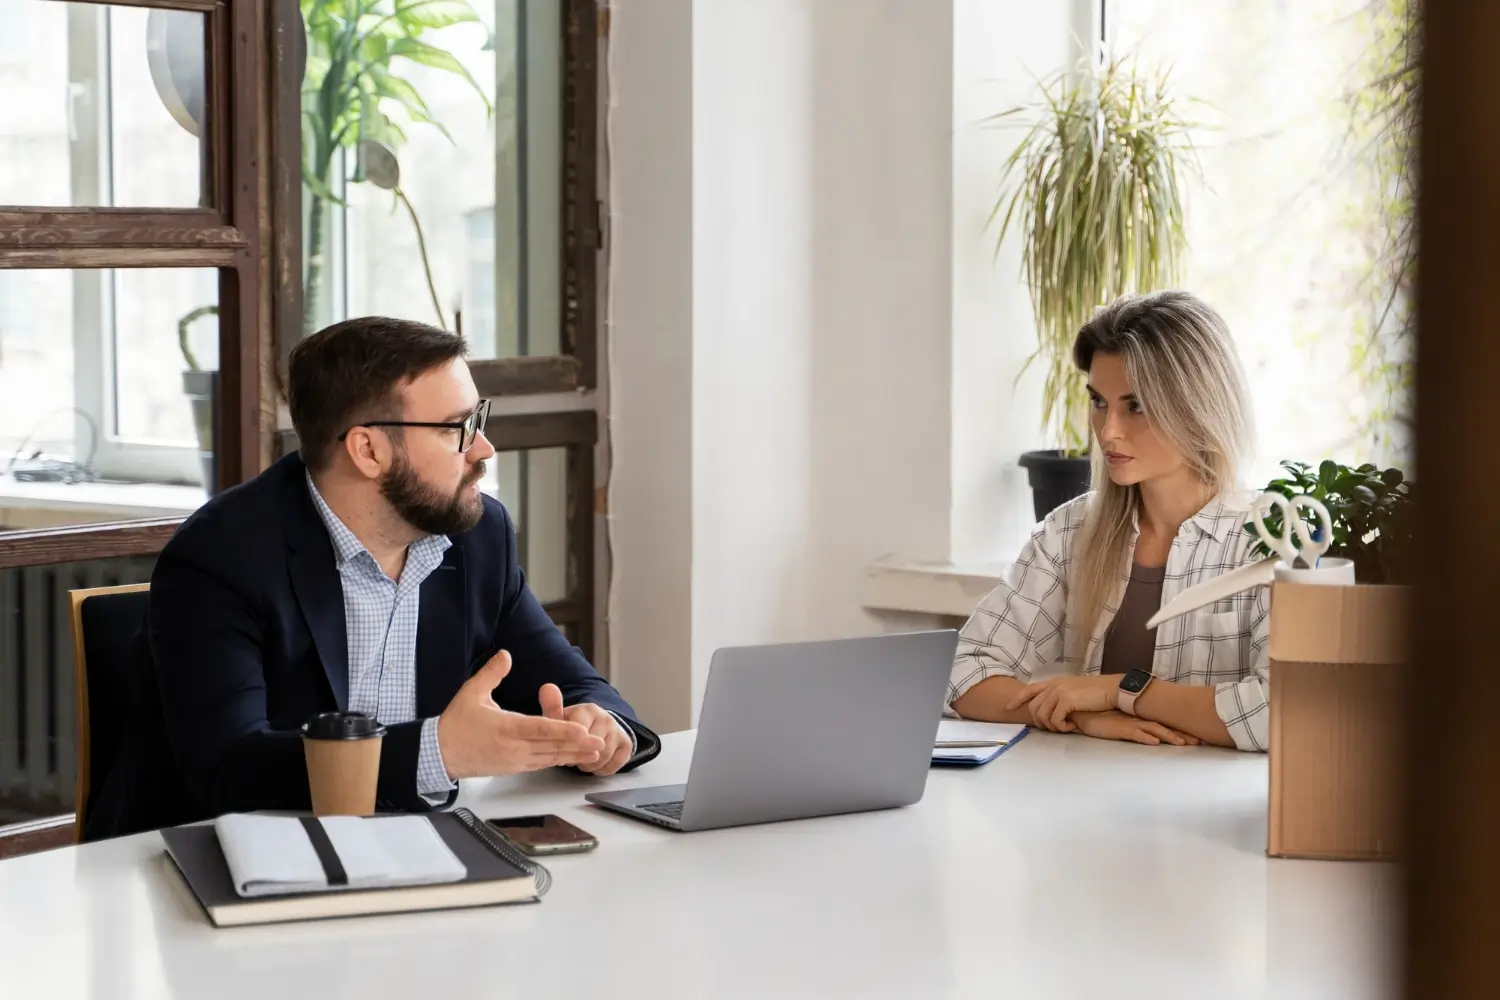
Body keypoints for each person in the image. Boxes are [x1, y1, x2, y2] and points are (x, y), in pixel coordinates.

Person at [85, 317, 659, 840]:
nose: (483, 449)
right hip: (220, 872)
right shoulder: (221, 557)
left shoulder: (477, 538)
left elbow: (574, 683)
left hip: (412, 853)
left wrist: (602, 729)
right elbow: (229, 770)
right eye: (456, 428)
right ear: (368, 449)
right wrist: (436, 752)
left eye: (477, 420)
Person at [948, 290, 1270, 751]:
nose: (1108, 430)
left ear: (1199, 406)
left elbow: (1281, 713)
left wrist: (1119, 691)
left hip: (1211, 814)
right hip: (1085, 799)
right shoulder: (1068, 533)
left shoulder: (1269, 542)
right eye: (1099, 401)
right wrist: (1079, 716)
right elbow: (963, 670)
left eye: (1134, 405)